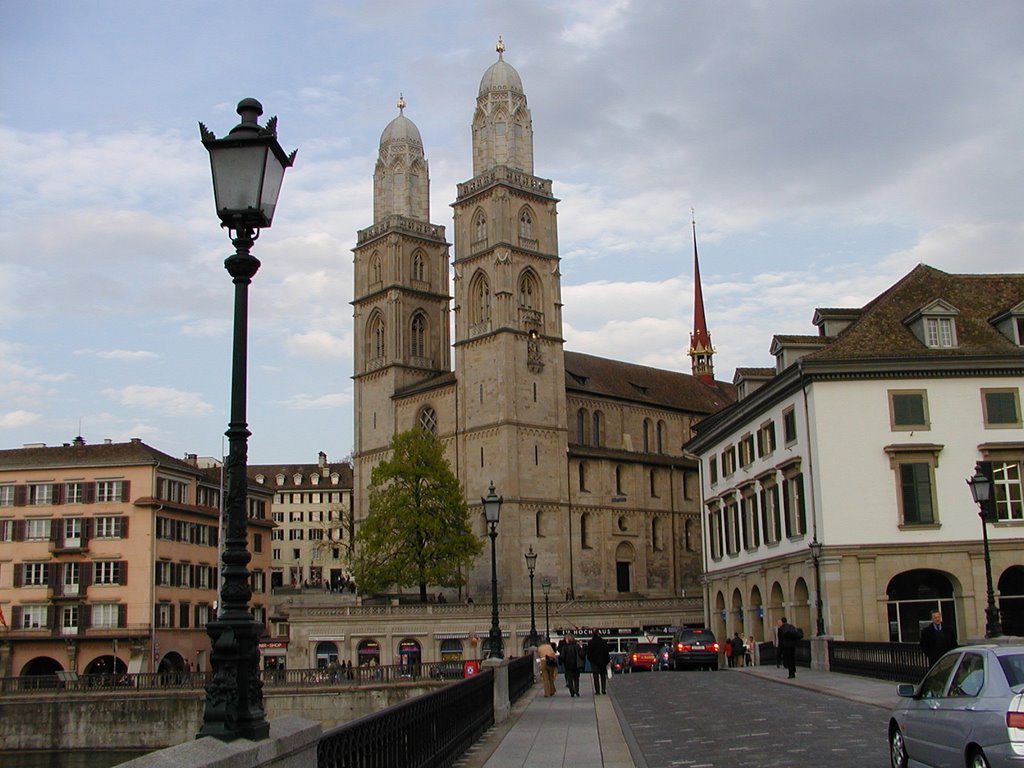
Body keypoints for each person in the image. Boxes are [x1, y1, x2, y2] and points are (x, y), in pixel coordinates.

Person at [585, 630, 611, 695]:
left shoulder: (590, 642)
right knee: (603, 676)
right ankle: (603, 689)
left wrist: (591, 660)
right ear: (598, 633)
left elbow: (589, 653)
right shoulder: (604, 641)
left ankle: (597, 690)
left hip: (594, 662)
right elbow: (606, 652)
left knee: (595, 676)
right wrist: (607, 661)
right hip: (603, 661)